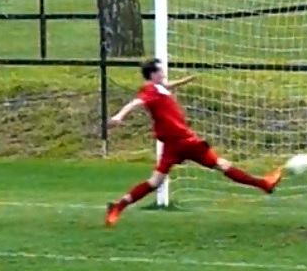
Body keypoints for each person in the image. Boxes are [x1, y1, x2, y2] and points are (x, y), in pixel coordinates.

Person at [104, 60, 283, 226]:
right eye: (160, 70)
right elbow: (136, 102)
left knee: (155, 182)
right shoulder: (150, 90)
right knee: (221, 165)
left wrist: (188, 79)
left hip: (176, 143)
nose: (163, 72)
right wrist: (120, 116)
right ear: (152, 74)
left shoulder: (159, 88)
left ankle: (118, 206)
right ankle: (264, 184)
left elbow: (168, 86)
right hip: (183, 141)